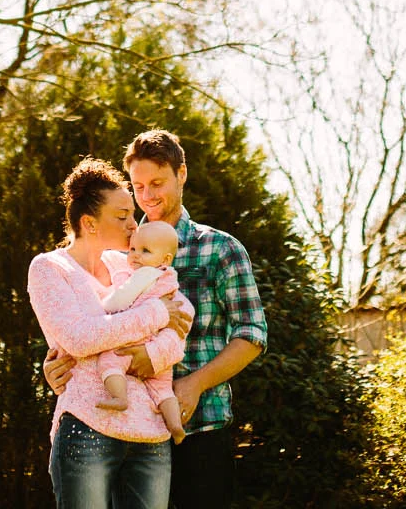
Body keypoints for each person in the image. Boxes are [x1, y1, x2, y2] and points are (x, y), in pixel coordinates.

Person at [46, 130, 267, 509]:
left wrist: (194, 385)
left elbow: (252, 334)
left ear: (182, 174)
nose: (147, 196)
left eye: (157, 183)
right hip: (129, 432)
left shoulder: (220, 248)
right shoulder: (117, 255)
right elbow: (92, 325)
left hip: (199, 427)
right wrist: (56, 367)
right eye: (138, 186)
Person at [27, 157, 195, 509]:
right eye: (122, 217)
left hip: (151, 432)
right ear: (89, 223)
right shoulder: (50, 268)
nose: (135, 225)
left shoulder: (130, 264)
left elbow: (180, 322)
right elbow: (80, 338)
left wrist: (152, 355)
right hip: (88, 427)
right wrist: (156, 313)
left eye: (132, 214)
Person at [94, 221, 188, 444]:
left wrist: (101, 306)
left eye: (145, 251)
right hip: (159, 347)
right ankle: (175, 425)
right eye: (133, 249)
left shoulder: (145, 274)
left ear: (165, 259)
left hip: (139, 337)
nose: (135, 255)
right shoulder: (169, 277)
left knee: (109, 361)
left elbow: (120, 300)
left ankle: (119, 397)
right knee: (163, 389)